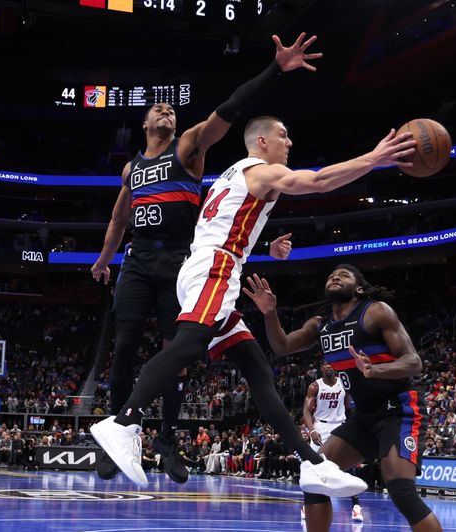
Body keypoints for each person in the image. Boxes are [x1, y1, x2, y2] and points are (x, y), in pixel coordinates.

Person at [90, 115, 416, 497]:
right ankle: (124, 421)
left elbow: (224, 226)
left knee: (257, 369)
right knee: (190, 344)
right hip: (216, 267)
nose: (289, 142)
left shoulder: (232, 175)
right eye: (283, 134)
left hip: (211, 265)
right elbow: (317, 181)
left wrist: (262, 248)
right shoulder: (261, 171)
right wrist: (374, 158)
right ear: (261, 142)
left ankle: (312, 466)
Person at [89, 32, 321, 483]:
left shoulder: (189, 146)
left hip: (181, 258)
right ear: (143, 124)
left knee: (180, 349)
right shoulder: (130, 169)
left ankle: (168, 442)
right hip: (138, 259)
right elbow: (119, 221)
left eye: (171, 109)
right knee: (125, 346)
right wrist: (103, 260)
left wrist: (275, 68)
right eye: (158, 108)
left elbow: (232, 108)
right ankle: (118, 434)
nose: (166, 111)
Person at [243, 265, 442, 532]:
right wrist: (269, 314)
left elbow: (413, 362)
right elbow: (282, 347)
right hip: (363, 416)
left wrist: (374, 369)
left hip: (399, 409)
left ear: (359, 288)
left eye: (344, 275)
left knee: (400, 490)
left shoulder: (375, 312)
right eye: (331, 275)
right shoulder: (320, 325)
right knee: (316, 478)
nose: (335, 277)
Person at [300, 362, 363, 523]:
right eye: (325, 365)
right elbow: (306, 410)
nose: (328, 367)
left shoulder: (343, 383)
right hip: (320, 426)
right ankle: (307, 504)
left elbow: (348, 407)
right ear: (321, 369)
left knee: (348, 467)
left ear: (334, 367)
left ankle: (356, 507)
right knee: (312, 468)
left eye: (330, 365)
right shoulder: (315, 386)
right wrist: (312, 430)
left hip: (340, 425)